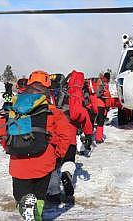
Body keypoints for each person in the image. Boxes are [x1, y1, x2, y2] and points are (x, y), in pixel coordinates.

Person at [0, 70, 71, 221]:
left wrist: (10, 147)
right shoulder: (52, 110)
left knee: (22, 200)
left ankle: (28, 213)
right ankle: (35, 215)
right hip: (44, 161)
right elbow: (65, 136)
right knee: (39, 198)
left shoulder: (14, 107)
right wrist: (57, 156)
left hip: (18, 164)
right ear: (48, 87)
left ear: (29, 84)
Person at [46, 70, 93, 202]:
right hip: (69, 131)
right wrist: (88, 133)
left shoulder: (58, 91)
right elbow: (81, 115)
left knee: (54, 162)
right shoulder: (77, 94)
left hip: (53, 129)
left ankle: (53, 192)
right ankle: (67, 174)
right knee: (69, 159)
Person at [95, 72, 111, 144]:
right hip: (101, 105)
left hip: (96, 104)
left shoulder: (99, 82)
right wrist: (107, 107)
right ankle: (98, 138)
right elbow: (106, 96)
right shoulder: (103, 84)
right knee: (100, 122)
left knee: (97, 121)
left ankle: (96, 136)